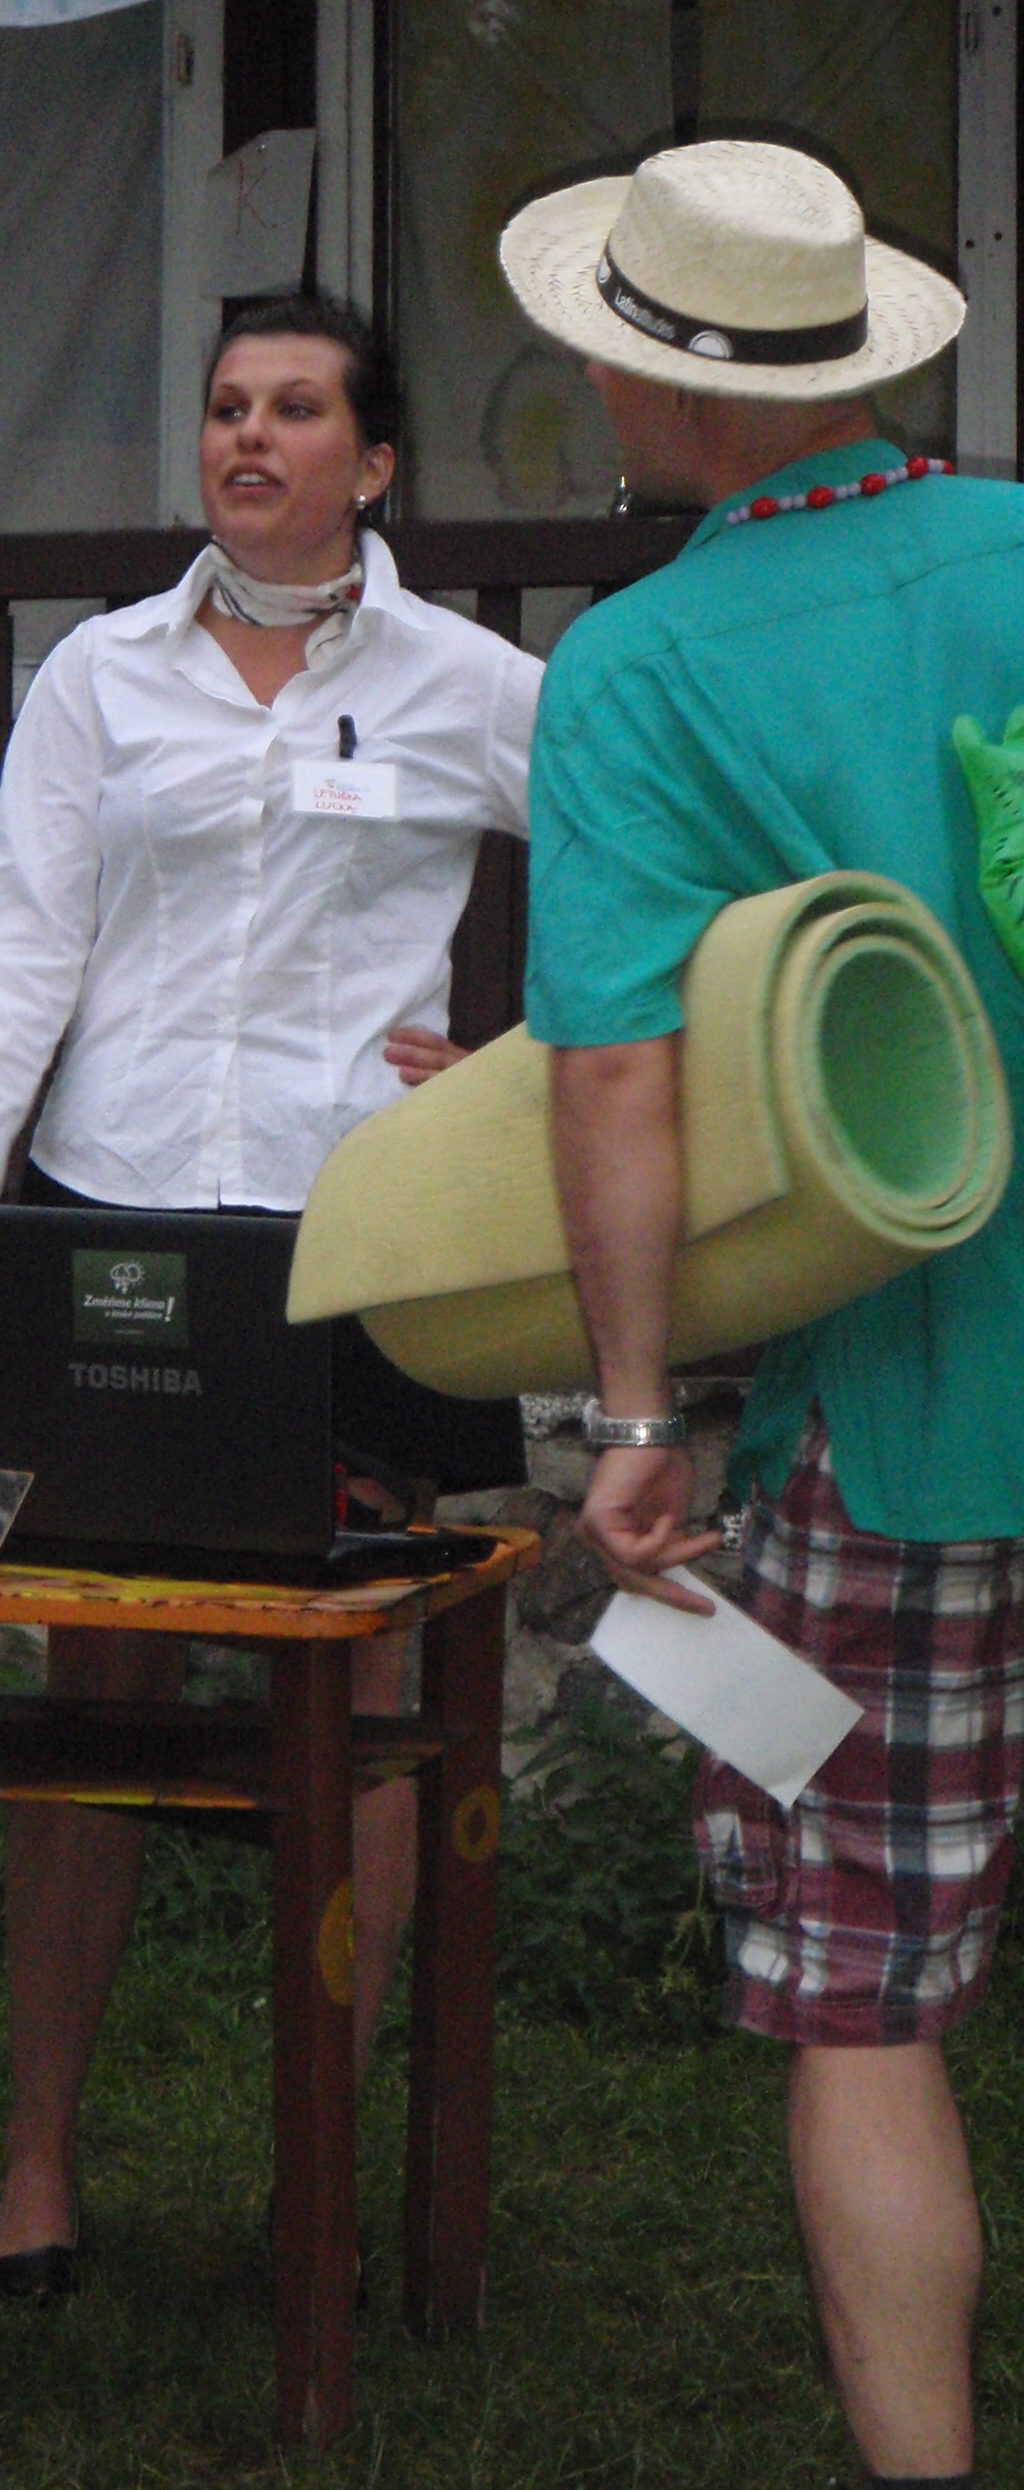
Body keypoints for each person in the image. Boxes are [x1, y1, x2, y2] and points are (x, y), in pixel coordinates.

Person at [0, 294, 541, 2295]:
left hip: (367, 1234)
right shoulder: (103, 673)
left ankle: (313, 2168)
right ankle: (36, 2161)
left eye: (297, 408)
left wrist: (528, 1061)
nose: (250, 436)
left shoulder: (468, 682)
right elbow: (19, 930)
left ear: (377, 461)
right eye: (227, 406)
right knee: (99, 1672)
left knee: (364, 1686)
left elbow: (648, 852)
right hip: (122, 1220)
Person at [502, 137, 1014, 2490]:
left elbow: (615, 1075)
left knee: (868, 1993)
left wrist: (632, 1413)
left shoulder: (635, 669)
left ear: (672, 389)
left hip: (893, 1419)